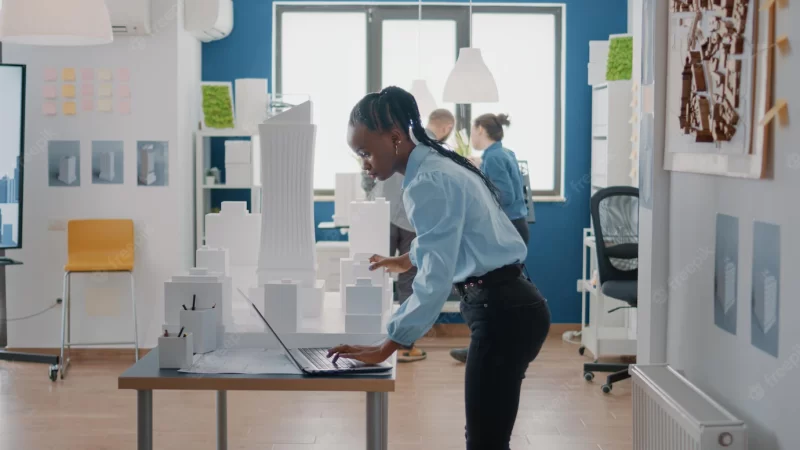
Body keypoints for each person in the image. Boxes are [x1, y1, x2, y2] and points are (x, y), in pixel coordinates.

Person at [328, 87, 551, 450]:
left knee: (485, 441)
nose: (364, 163)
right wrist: (404, 259)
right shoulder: (437, 165)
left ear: (396, 138)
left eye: (366, 152)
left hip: (503, 313)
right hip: (515, 306)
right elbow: (449, 236)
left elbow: (434, 280)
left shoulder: (426, 183)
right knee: (489, 438)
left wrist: (387, 345)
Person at [359, 107, 457, 363]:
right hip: (410, 222)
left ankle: (376, 338)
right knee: (408, 280)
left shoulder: (409, 145)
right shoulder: (436, 153)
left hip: (384, 213)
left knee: (376, 271)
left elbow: (368, 175)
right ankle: (404, 345)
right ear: (447, 128)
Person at [449, 113, 531, 364]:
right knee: (501, 292)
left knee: (489, 292)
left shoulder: (493, 158)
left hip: (506, 229)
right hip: (518, 225)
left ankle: (483, 345)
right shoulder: (504, 153)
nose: (471, 135)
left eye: (472, 130)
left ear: (481, 129)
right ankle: (492, 344)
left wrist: (476, 179)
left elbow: (502, 195)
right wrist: (480, 168)